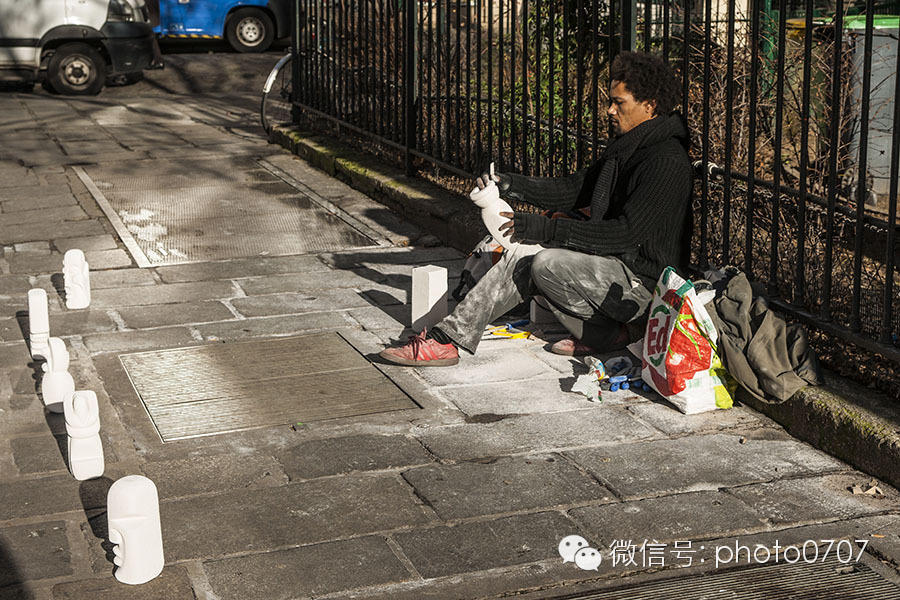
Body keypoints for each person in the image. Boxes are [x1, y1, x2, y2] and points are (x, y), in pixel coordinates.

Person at [380, 51, 693, 367]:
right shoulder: (627, 146)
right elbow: (573, 189)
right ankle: (450, 341)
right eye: (610, 100)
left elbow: (625, 234)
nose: (609, 109)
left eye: (619, 102)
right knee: (523, 253)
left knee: (543, 262)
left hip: (645, 290)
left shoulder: (665, 161)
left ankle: (621, 329)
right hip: (613, 270)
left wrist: (547, 230)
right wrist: (508, 183)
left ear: (650, 106)